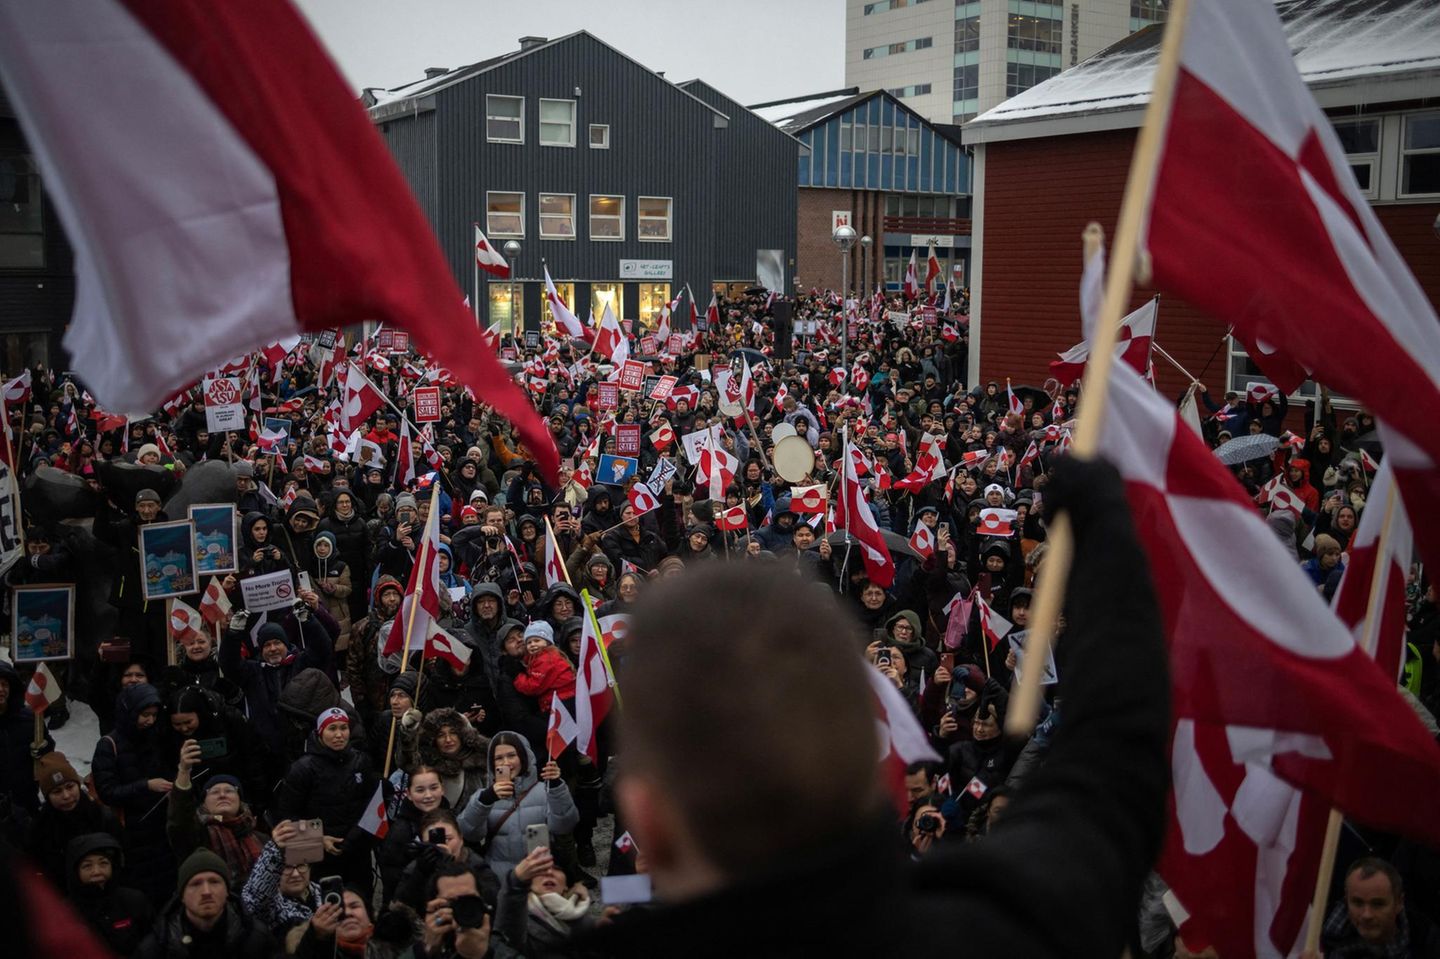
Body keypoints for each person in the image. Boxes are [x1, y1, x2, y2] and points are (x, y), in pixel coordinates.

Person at [583, 457, 1170, 957]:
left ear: (646, 813)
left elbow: (642, 886)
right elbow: (1110, 775)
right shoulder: (987, 925)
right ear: (870, 758)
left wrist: (596, 911)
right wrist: (1104, 541)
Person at [457, 731, 579, 881]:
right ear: (491, 763)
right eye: (499, 758)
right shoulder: (483, 796)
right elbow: (469, 833)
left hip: (540, 878)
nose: (506, 762)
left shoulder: (545, 791)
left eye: (511, 755)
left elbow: (565, 826)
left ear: (523, 757)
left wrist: (556, 787)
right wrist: (485, 800)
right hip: (500, 881)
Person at [135, 849, 280, 959]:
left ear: (227, 891)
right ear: (182, 896)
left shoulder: (256, 939)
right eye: (195, 884)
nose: (206, 891)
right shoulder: (157, 948)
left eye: (214, 882)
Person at [1314, 857, 1440, 958]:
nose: (1366, 915)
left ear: (1399, 903)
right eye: (1357, 903)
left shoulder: (1427, 941)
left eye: (1378, 904)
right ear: (1346, 900)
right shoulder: (1315, 931)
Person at [65, 832, 153, 956]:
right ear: (75, 872)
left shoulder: (133, 900)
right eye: (87, 866)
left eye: (103, 863)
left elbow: (152, 945)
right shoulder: (65, 912)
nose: (96, 871)